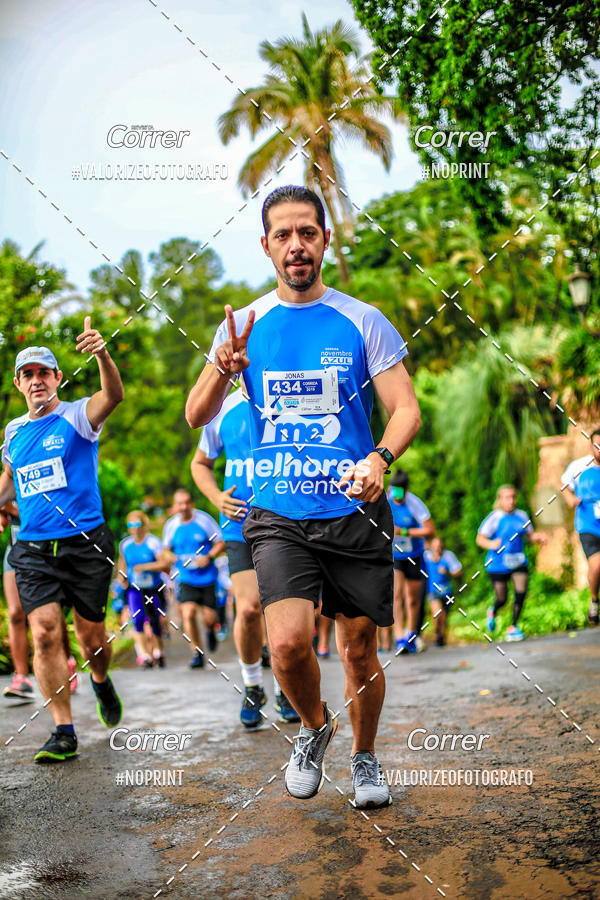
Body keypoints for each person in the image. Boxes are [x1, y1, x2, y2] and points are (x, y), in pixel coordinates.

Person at [185, 184, 421, 808]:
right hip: (277, 511)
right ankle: (315, 727)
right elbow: (194, 415)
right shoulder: (244, 327)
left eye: (307, 233)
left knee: (358, 646)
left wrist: (379, 457)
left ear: (324, 239)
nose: (296, 246)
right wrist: (222, 367)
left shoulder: (362, 320)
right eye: (283, 235)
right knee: (286, 644)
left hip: (354, 510)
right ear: (265, 245)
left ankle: (365, 758)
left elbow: (405, 409)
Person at [0, 326, 124, 763]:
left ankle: (102, 680)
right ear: (18, 383)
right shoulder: (14, 434)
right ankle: (63, 730)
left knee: (91, 640)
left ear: (57, 378)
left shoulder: (76, 416)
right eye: (27, 374)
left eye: (44, 373)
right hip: (33, 550)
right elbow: (8, 483)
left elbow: (113, 396)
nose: (36, 381)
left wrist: (103, 356)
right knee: (46, 634)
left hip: (85, 543)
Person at [192, 386, 299, 726]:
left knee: (283, 609)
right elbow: (200, 464)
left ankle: (287, 687)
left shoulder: (290, 392)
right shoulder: (222, 406)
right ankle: (254, 685)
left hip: (287, 518)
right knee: (250, 608)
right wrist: (215, 497)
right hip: (239, 522)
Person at [162, 488, 225, 668]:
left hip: (208, 577)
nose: (183, 507)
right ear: (175, 506)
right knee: (188, 613)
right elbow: (165, 549)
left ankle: (212, 629)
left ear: (191, 504)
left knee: (208, 618)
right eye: (179, 504)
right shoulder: (171, 525)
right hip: (186, 577)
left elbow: (220, 541)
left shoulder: (204, 520)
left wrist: (209, 556)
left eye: (186, 503)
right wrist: (170, 557)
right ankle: (196, 652)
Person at [477, 484, 546, 641]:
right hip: (498, 564)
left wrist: (538, 538)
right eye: (507, 497)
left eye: (514, 497)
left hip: (518, 561)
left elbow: (528, 535)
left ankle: (513, 627)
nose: (511, 500)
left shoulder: (522, 515)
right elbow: (480, 538)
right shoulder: (494, 517)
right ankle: (493, 610)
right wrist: (491, 544)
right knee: (502, 598)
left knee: (521, 593)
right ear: (500, 500)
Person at [388, 469, 435, 654]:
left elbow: (430, 530)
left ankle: (411, 635)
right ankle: (399, 638)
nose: (397, 495)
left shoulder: (415, 503)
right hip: (394, 556)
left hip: (414, 555)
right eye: (395, 490)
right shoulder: (385, 500)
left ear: (406, 490)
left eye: (401, 491)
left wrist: (405, 532)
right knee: (397, 595)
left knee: (413, 599)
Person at [118, 510, 168, 668]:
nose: (135, 528)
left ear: (144, 525)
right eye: (131, 525)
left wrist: (145, 567)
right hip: (135, 588)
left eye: (138, 524)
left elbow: (164, 564)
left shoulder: (153, 542)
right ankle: (144, 655)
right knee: (137, 619)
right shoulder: (125, 544)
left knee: (155, 620)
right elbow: (122, 564)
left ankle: (159, 651)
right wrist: (122, 577)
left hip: (153, 587)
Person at [561, 428, 600, 625]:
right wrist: (571, 499)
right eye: (597, 445)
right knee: (597, 564)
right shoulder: (579, 466)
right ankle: (594, 600)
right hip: (588, 526)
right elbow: (564, 485)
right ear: (591, 446)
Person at [423, 536, 463, 646]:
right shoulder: (426, 556)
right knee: (437, 613)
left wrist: (448, 572)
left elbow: (458, 572)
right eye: (435, 546)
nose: (437, 549)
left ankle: (441, 637)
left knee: (444, 617)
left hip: (447, 591)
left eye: (439, 546)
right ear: (431, 546)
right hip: (432, 591)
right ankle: (437, 634)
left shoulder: (448, 556)